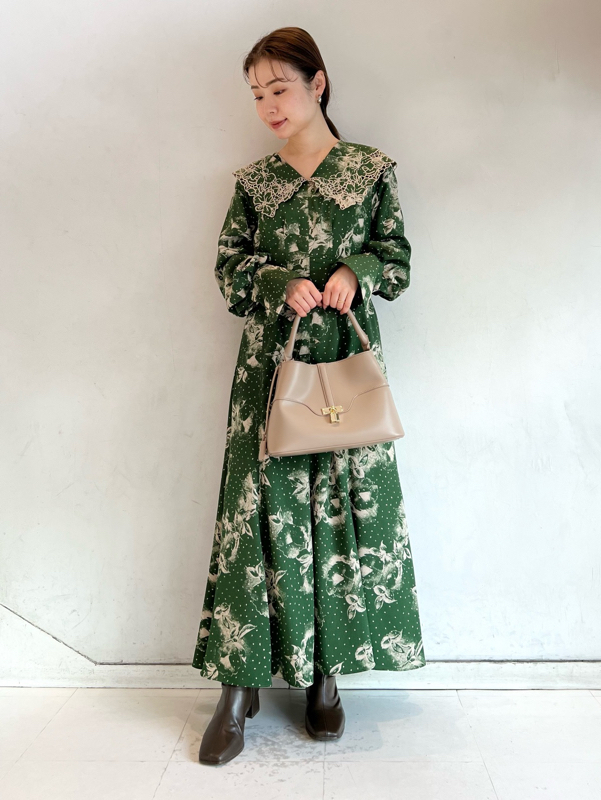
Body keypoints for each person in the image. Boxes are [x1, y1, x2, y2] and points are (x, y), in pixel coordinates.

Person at [192, 26, 427, 765]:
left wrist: (356, 270)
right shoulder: (253, 183)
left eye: (279, 88)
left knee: (340, 509)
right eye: (256, 94)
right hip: (271, 369)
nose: (268, 105)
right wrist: (275, 281)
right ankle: (238, 688)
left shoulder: (370, 170)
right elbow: (229, 268)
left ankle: (327, 677)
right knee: (255, 515)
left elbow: (397, 257)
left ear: (316, 83)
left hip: (346, 366)